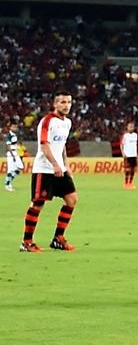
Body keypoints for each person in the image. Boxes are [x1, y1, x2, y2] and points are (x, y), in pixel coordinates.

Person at [21, 93, 77, 252]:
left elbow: (62, 146)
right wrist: (55, 165)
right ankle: (26, 242)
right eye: (62, 102)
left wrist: (66, 165)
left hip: (60, 168)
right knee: (38, 204)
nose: (66, 105)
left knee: (72, 199)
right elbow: (44, 146)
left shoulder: (67, 123)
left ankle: (58, 239)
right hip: (44, 169)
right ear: (55, 104)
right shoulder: (47, 121)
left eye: (69, 102)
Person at [120, 122, 138, 190]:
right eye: (130, 127)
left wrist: (136, 154)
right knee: (127, 170)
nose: (131, 128)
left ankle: (130, 183)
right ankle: (126, 183)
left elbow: (135, 145)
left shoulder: (135, 135)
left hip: (134, 155)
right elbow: (121, 145)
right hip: (128, 155)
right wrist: (123, 153)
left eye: (132, 127)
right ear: (127, 128)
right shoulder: (125, 136)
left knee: (133, 170)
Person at [4, 123, 20, 193]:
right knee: (10, 170)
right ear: (10, 127)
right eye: (13, 127)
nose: (15, 128)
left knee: (20, 168)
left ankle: (8, 181)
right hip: (11, 154)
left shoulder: (14, 135)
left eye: (16, 127)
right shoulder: (9, 135)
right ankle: (7, 185)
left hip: (15, 153)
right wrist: (12, 155)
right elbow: (8, 146)